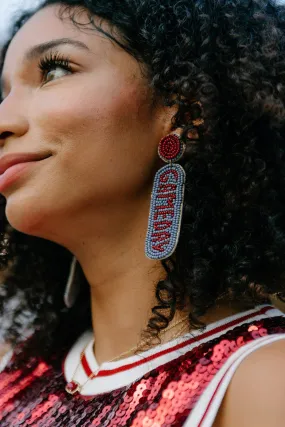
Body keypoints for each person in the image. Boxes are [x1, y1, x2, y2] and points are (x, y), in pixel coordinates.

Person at [0, 0, 285, 425]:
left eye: (54, 70)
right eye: (3, 92)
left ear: (184, 113)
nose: (3, 118)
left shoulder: (264, 382)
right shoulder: (12, 376)